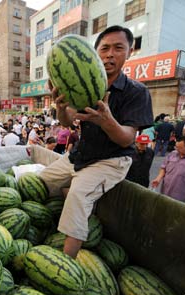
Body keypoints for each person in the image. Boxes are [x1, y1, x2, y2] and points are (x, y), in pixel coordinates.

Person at [39, 25, 153, 258]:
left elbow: (126, 139)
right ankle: (44, 224)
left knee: (78, 196)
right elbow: (68, 121)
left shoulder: (137, 92)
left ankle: (64, 266)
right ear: (95, 53)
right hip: (81, 155)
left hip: (112, 160)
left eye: (118, 48)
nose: (110, 54)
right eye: (105, 48)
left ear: (129, 52)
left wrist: (106, 120)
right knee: (41, 183)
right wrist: (60, 108)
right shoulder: (83, 82)